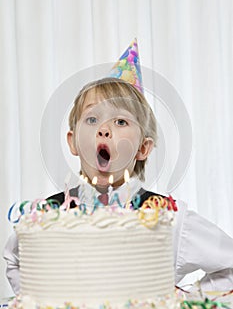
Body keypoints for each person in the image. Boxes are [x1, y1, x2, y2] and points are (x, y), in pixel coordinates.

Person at [3, 39, 233, 295]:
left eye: (121, 121)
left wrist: (183, 299)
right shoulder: (46, 215)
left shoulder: (169, 218)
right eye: (92, 119)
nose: (104, 129)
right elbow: (15, 260)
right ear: (73, 141)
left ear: (143, 148)